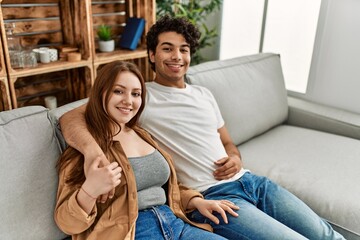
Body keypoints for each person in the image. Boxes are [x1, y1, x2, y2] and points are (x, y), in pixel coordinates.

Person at [59, 16, 345, 240]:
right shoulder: (139, 96)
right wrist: (93, 155)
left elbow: (228, 143)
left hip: (252, 182)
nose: (176, 56)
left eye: (183, 49)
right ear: (151, 55)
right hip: (213, 195)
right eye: (167, 48)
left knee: (325, 234)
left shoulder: (203, 94)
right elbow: (70, 117)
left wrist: (234, 158)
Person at [54, 60, 239, 240]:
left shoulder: (142, 134)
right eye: (118, 91)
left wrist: (196, 201)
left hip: (176, 225)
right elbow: (66, 223)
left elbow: (167, 186)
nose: (128, 101)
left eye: (136, 94)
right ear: (101, 93)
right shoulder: (84, 148)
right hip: (132, 232)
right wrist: (90, 190)